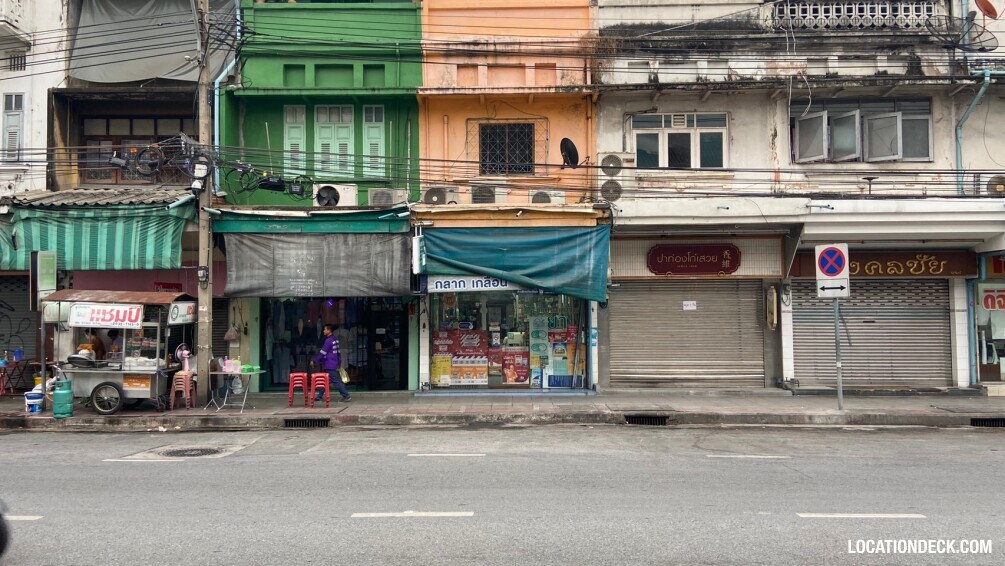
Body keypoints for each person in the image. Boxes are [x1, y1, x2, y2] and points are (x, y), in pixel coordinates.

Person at [310, 324, 351, 402]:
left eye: (325, 329)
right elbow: (338, 352)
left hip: (329, 363)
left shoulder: (328, 340)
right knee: (326, 380)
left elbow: (323, 352)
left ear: (329, 330)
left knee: (335, 381)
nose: (323, 331)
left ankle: (346, 395)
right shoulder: (335, 339)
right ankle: (319, 396)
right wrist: (338, 362)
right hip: (333, 362)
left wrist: (314, 360)